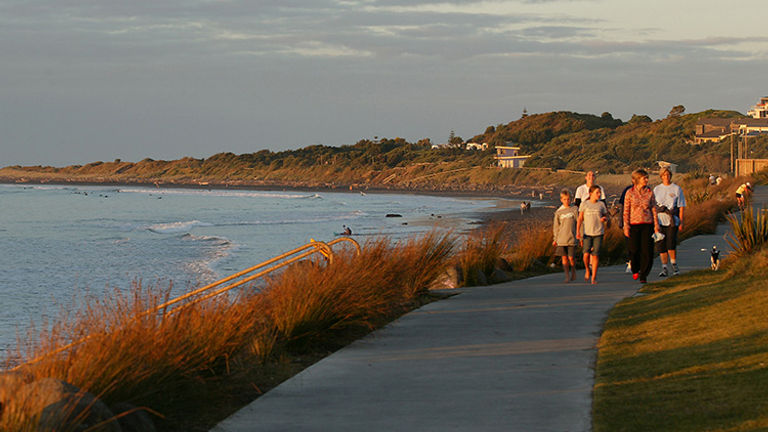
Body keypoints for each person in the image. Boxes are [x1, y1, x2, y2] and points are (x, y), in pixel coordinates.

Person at [623, 169, 660, 284]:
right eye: (644, 178)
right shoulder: (630, 193)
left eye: (647, 178)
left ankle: (644, 274)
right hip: (634, 224)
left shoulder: (649, 192)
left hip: (647, 224)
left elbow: (654, 208)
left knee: (647, 251)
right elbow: (626, 210)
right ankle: (635, 268)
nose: (647, 180)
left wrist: (656, 225)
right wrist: (626, 226)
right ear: (637, 179)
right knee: (633, 249)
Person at [654, 167, 686, 277]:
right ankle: (664, 267)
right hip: (659, 220)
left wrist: (681, 221)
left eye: (668, 175)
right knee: (661, 245)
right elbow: (653, 206)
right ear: (661, 176)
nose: (666, 177)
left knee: (671, 243)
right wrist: (654, 223)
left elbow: (681, 206)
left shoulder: (677, 189)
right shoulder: (657, 189)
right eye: (664, 175)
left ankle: (674, 264)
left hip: (672, 220)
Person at [577, 185, 610, 284]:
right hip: (587, 233)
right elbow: (580, 218)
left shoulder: (601, 205)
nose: (599, 195)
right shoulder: (584, 204)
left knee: (595, 255)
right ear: (590, 194)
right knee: (586, 254)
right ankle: (587, 269)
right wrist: (578, 231)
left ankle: (594, 277)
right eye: (597, 193)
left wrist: (604, 219)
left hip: (598, 233)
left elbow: (606, 216)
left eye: (599, 193)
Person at [552, 189, 578, 282]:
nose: (567, 201)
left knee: (571, 258)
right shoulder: (559, 212)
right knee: (564, 258)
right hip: (561, 239)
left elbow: (579, 223)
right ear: (561, 200)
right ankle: (567, 276)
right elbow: (556, 226)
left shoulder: (574, 210)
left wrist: (580, 235)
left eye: (568, 199)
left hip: (572, 238)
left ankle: (573, 271)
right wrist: (555, 239)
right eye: (565, 199)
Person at [617, 183, 634, 273]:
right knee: (629, 242)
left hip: (640, 221)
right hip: (628, 221)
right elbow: (622, 206)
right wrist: (621, 221)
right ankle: (630, 262)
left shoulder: (646, 190)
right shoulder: (628, 189)